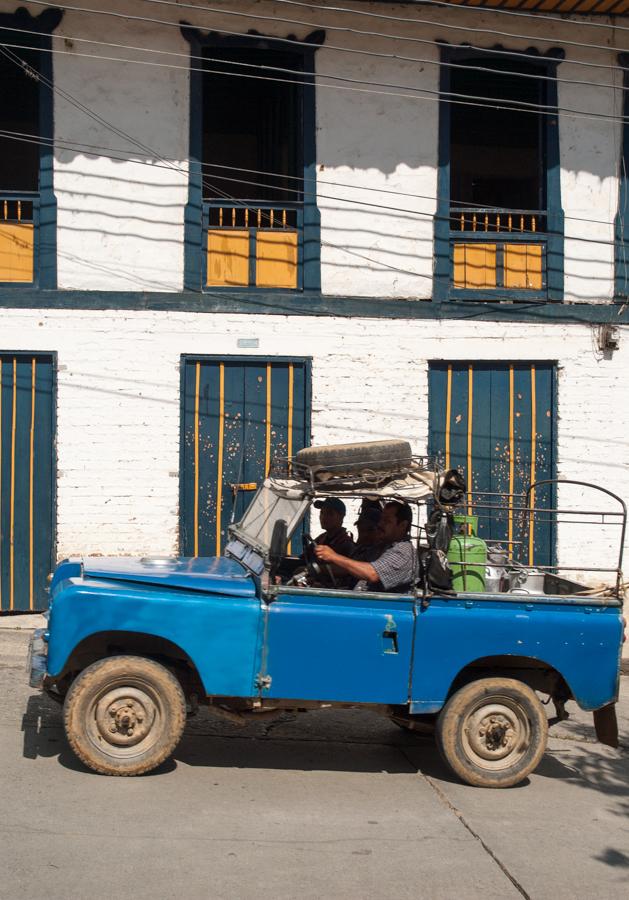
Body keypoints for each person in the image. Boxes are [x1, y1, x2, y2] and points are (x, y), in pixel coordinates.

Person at [314, 500, 417, 593]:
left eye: (387, 521)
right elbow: (351, 567)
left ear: (403, 525)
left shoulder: (404, 552)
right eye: (381, 520)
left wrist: (334, 556)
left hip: (379, 609)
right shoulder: (380, 547)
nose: (380, 524)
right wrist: (318, 569)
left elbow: (372, 573)